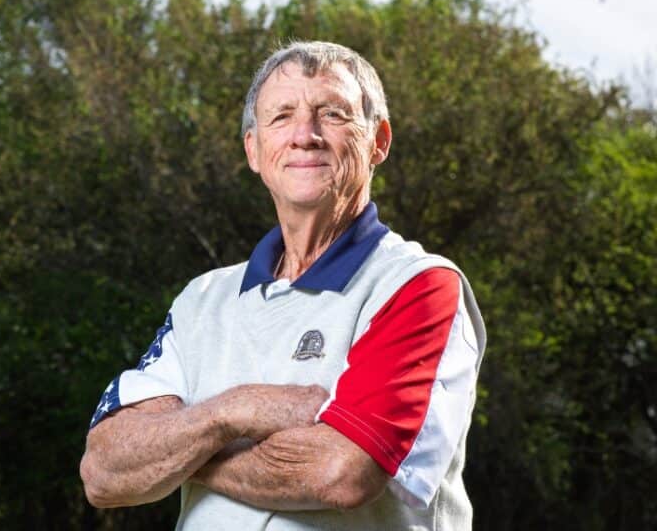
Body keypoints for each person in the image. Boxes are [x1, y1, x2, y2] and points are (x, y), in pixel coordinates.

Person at [79, 41, 487, 530]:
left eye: (332, 114)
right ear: (254, 150)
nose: (305, 135)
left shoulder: (417, 286)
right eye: (280, 117)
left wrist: (179, 453)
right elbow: (104, 471)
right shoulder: (203, 299)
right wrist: (234, 411)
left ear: (379, 140)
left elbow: (343, 472)